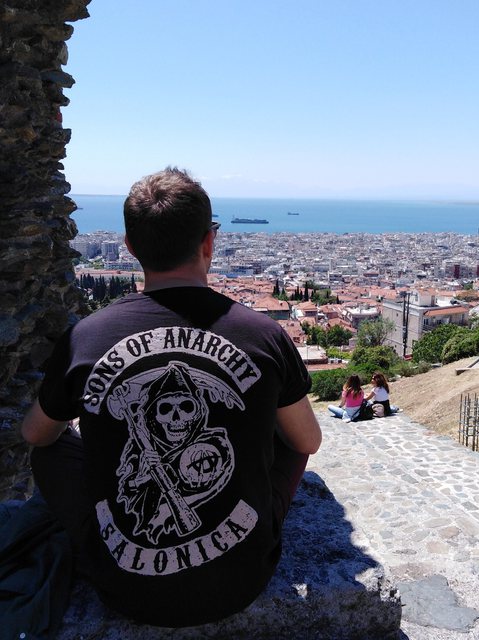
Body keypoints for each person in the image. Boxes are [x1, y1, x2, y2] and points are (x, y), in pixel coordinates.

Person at [20, 168, 322, 628]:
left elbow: (36, 434)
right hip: (242, 579)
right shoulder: (263, 334)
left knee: (49, 451)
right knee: (293, 441)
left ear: (130, 246)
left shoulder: (86, 337)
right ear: (209, 242)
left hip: (121, 585)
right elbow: (309, 442)